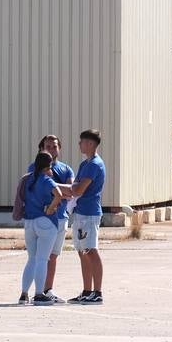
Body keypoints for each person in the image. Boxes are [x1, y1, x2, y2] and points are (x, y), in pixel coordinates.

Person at [26, 135, 74, 302]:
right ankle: (34, 292)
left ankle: (47, 290)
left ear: (59, 148)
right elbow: (33, 185)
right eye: (47, 146)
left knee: (53, 256)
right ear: (41, 149)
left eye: (54, 146)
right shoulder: (33, 167)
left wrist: (53, 186)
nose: (51, 149)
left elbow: (72, 190)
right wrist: (58, 188)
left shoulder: (66, 169)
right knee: (38, 257)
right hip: (41, 218)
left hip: (60, 217)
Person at [18, 151, 63, 305]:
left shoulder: (29, 179)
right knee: (43, 259)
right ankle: (38, 294)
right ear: (48, 165)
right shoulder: (47, 180)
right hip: (45, 221)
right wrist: (51, 208)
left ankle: (24, 294)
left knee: (31, 259)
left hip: (29, 222)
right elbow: (58, 194)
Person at [69, 129, 106, 304]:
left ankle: (97, 292)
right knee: (82, 251)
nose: (79, 144)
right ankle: (86, 290)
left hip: (89, 213)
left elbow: (78, 189)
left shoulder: (94, 165)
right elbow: (75, 186)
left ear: (90, 144)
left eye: (82, 141)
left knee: (91, 250)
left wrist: (61, 189)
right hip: (80, 212)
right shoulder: (85, 164)